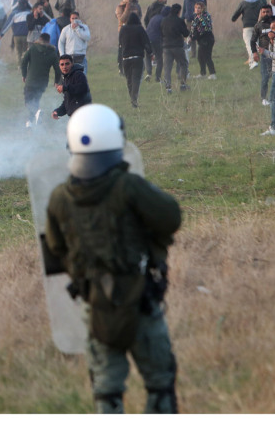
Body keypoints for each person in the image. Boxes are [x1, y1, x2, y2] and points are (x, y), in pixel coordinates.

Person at [45, 103, 181, 414]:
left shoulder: (59, 198)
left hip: (95, 305)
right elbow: (170, 217)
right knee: (160, 381)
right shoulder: (128, 186)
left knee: (106, 389)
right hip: (141, 299)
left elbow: (55, 248)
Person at [21, 33, 60, 127]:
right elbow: (58, 69)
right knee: (35, 100)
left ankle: (37, 112)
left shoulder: (33, 48)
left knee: (28, 102)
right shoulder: (53, 52)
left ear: (40, 39)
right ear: (48, 41)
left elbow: (23, 62)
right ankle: (29, 123)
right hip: (43, 82)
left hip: (31, 80)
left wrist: (24, 75)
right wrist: (56, 81)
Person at [118, 13, 152, 108]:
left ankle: (132, 98)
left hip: (126, 58)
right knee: (136, 79)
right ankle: (134, 99)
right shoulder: (139, 29)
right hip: (138, 58)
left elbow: (120, 42)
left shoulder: (123, 29)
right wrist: (150, 52)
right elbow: (146, 42)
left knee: (129, 80)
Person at [231, 0, 265, 69]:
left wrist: (234, 18)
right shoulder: (260, 2)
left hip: (247, 26)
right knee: (256, 43)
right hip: (258, 25)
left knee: (249, 44)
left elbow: (236, 15)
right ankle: (260, 60)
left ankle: (253, 61)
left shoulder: (243, 3)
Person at [161, 4, 190, 94]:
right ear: (178, 11)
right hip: (177, 46)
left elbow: (161, 33)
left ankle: (168, 88)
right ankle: (183, 84)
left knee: (167, 68)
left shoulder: (164, 20)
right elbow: (185, 34)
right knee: (183, 64)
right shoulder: (179, 20)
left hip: (166, 47)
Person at [51, 54, 91, 120]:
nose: (64, 67)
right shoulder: (66, 78)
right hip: (74, 116)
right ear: (59, 66)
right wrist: (57, 112)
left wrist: (65, 88)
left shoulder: (78, 74)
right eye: (62, 64)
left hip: (83, 114)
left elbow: (82, 88)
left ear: (72, 64)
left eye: (67, 64)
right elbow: (67, 102)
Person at [250, 7, 275, 107]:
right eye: (263, 12)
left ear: (271, 12)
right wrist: (254, 53)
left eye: (267, 12)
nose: (265, 14)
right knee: (265, 77)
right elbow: (252, 41)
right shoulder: (258, 25)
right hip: (264, 54)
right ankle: (264, 98)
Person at [189, 1, 216, 79]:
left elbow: (204, 30)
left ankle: (212, 74)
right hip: (201, 40)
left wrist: (193, 37)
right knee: (200, 57)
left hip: (207, 39)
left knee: (207, 56)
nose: (197, 9)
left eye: (199, 8)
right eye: (196, 8)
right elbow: (193, 29)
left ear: (203, 8)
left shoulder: (205, 16)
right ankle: (203, 73)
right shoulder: (196, 17)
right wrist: (190, 36)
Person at [146, 6, 170, 84]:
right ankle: (158, 77)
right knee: (159, 58)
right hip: (156, 40)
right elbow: (164, 32)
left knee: (148, 56)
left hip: (146, 38)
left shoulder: (154, 17)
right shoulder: (164, 20)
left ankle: (149, 74)